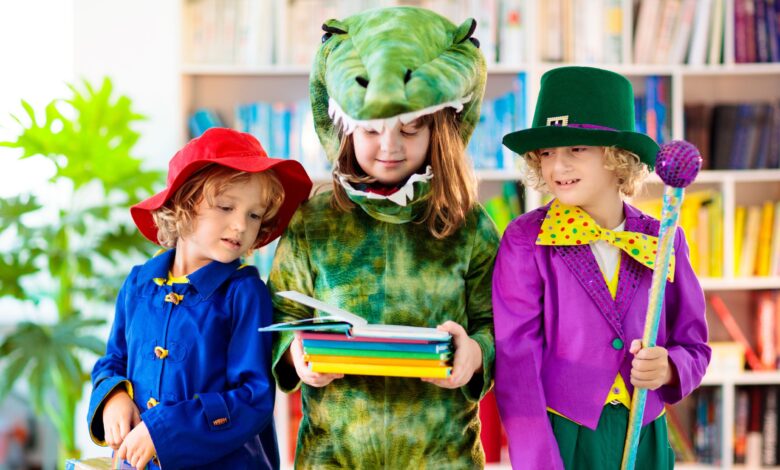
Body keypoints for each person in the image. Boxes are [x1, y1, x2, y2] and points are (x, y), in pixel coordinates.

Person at [267, 6, 499, 468]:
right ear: (343, 125)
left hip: (443, 457)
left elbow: (497, 325)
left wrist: (474, 354)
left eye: (410, 129)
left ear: (440, 128)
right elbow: (282, 315)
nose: (389, 147)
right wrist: (297, 357)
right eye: (371, 130)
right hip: (333, 456)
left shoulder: (470, 224)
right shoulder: (312, 221)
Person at [493, 66, 711, 469]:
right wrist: (538, 461)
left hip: (644, 435)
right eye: (546, 153)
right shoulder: (525, 241)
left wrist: (670, 367)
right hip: (563, 439)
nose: (557, 167)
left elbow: (694, 345)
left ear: (617, 158)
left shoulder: (664, 238)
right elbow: (516, 366)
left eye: (575, 149)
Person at [86, 127, 312, 469]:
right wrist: (113, 396)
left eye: (253, 215)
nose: (240, 226)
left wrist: (163, 431)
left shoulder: (244, 293)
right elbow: (112, 360)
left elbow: (254, 397)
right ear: (182, 206)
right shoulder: (138, 285)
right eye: (225, 207)